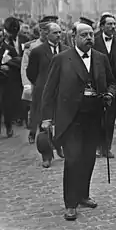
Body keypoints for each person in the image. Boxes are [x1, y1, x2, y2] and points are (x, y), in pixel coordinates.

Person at [40, 22, 116, 221]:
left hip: (93, 116)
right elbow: (49, 90)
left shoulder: (100, 58)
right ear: (73, 36)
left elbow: (112, 81)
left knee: (88, 158)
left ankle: (83, 195)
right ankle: (70, 203)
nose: (89, 38)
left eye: (91, 34)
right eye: (84, 35)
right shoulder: (61, 59)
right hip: (71, 118)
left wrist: (109, 93)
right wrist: (47, 118)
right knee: (73, 160)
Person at [27, 22, 67, 168]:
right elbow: (31, 72)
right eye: (55, 33)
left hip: (62, 93)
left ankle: (60, 146)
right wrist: (41, 84)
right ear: (47, 34)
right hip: (44, 93)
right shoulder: (37, 51)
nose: (58, 35)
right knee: (45, 124)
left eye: (60, 32)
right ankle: (46, 155)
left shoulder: (67, 50)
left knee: (62, 122)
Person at [93, 14, 116, 152]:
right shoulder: (94, 41)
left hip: (115, 86)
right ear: (102, 26)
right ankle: (97, 146)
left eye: (114, 24)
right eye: (109, 24)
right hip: (98, 84)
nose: (113, 27)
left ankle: (106, 148)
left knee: (110, 117)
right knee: (97, 117)